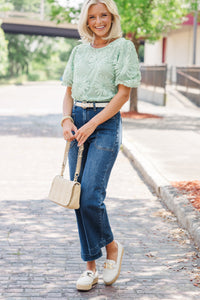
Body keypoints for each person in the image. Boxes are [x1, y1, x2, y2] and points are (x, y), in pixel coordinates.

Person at [61, 0, 141, 291]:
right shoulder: (78, 51)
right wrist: (66, 119)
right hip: (77, 121)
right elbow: (68, 91)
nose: (98, 21)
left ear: (112, 17)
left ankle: (112, 247)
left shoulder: (123, 47)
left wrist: (93, 123)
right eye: (92, 17)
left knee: (91, 195)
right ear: (86, 20)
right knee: (77, 196)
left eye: (103, 15)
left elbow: (123, 95)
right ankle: (90, 267)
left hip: (105, 123)